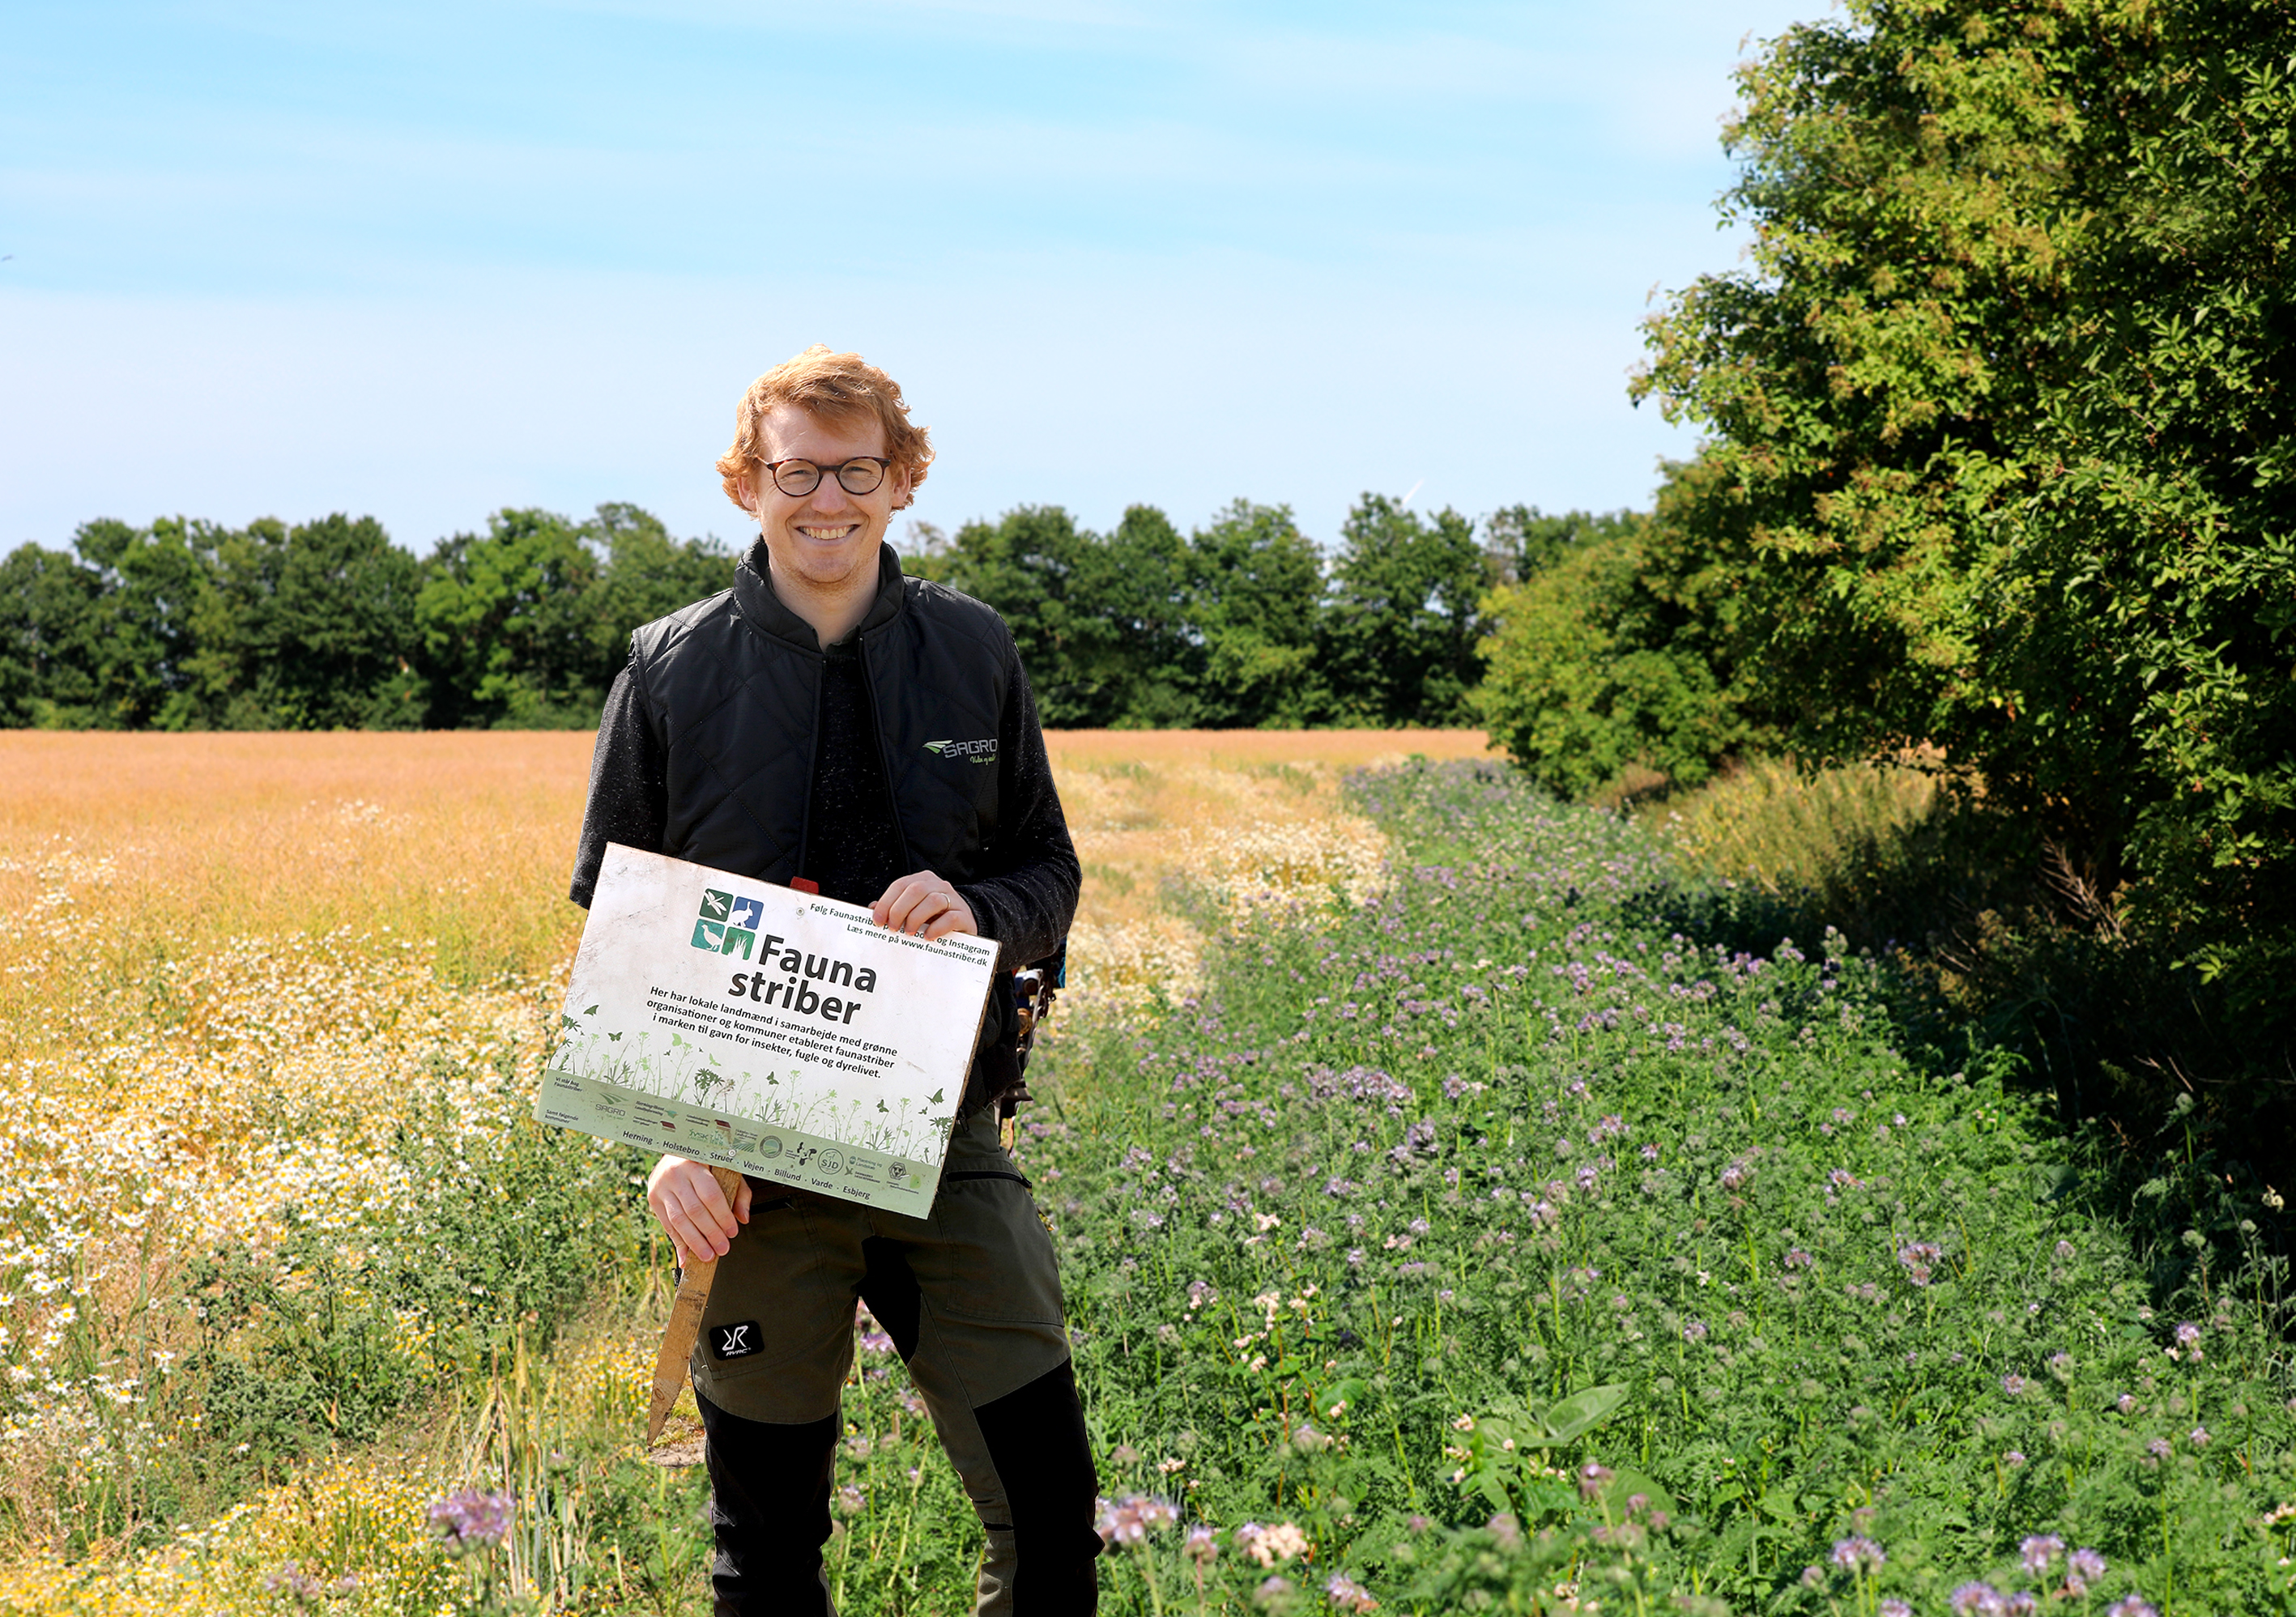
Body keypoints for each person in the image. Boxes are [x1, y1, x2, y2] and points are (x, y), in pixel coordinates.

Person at [569, 345, 1101, 1615]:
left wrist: (978, 906)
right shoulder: (668, 667)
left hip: (947, 1149)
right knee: (765, 1564)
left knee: (1054, 1529)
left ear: (903, 479)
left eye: (856, 469)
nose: (827, 499)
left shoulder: (974, 649)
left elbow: (1052, 873)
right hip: (747, 1173)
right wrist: (663, 1147)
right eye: (794, 469)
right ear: (746, 481)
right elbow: (616, 932)